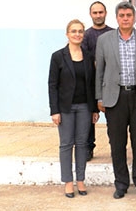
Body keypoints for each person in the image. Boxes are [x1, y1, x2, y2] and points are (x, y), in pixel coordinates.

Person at [95, 1, 136, 199]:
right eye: (121, 15)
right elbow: (99, 71)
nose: (125, 19)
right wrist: (99, 97)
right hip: (115, 98)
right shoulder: (104, 40)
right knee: (117, 143)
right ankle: (121, 184)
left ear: (134, 17)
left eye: (128, 15)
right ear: (116, 18)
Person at [48, 19, 99, 198]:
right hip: (65, 108)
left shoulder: (88, 56)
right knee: (66, 144)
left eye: (80, 31)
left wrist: (94, 109)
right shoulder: (58, 56)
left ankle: (81, 180)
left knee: (82, 144)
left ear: (83, 34)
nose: (77, 34)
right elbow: (52, 85)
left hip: (85, 107)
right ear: (67, 34)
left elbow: (92, 84)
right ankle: (68, 182)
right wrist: (54, 110)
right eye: (74, 31)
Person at [82, 1, 113, 161]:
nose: (98, 15)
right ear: (90, 14)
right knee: (89, 118)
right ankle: (88, 148)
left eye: (101, 12)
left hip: (110, 83)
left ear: (105, 13)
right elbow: (82, 58)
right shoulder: (86, 35)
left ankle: (115, 148)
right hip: (90, 83)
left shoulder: (113, 33)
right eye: (95, 12)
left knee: (113, 119)